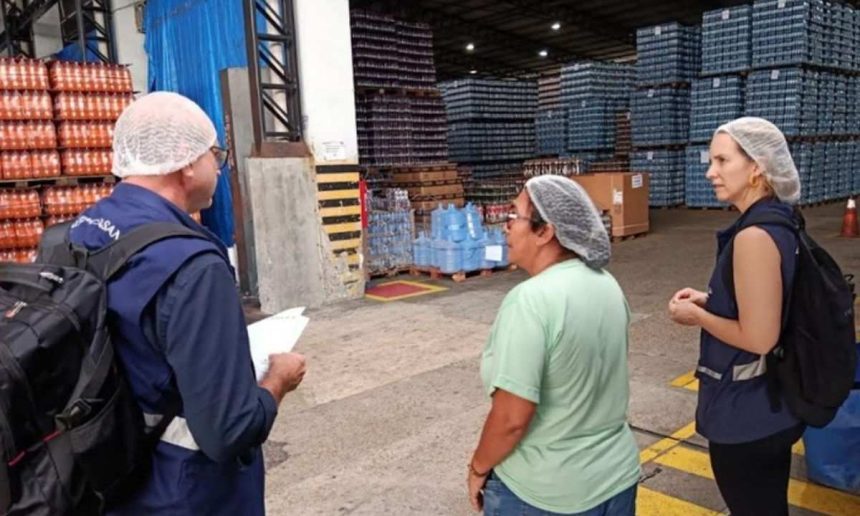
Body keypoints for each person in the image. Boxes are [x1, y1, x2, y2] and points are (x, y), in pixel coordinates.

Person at [66, 91, 307, 515]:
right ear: (186, 162)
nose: (217, 165)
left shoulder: (75, 234)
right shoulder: (191, 266)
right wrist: (278, 382)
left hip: (100, 478)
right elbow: (229, 430)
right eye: (215, 154)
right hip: (186, 492)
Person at [467, 175, 641, 515]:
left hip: (545, 492)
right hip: (616, 478)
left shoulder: (530, 300)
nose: (506, 227)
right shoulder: (607, 284)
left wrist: (477, 468)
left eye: (514, 216)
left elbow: (511, 418)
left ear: (545, 232)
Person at [669, 117, 804, 516]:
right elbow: (767, 299)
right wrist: (712, 299)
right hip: (772, 407)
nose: (711, 172)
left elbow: (760, 337)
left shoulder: (754, 237)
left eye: (722, 160)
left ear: (757, 167)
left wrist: (698, 316)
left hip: (748, 415)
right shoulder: (776, 219)